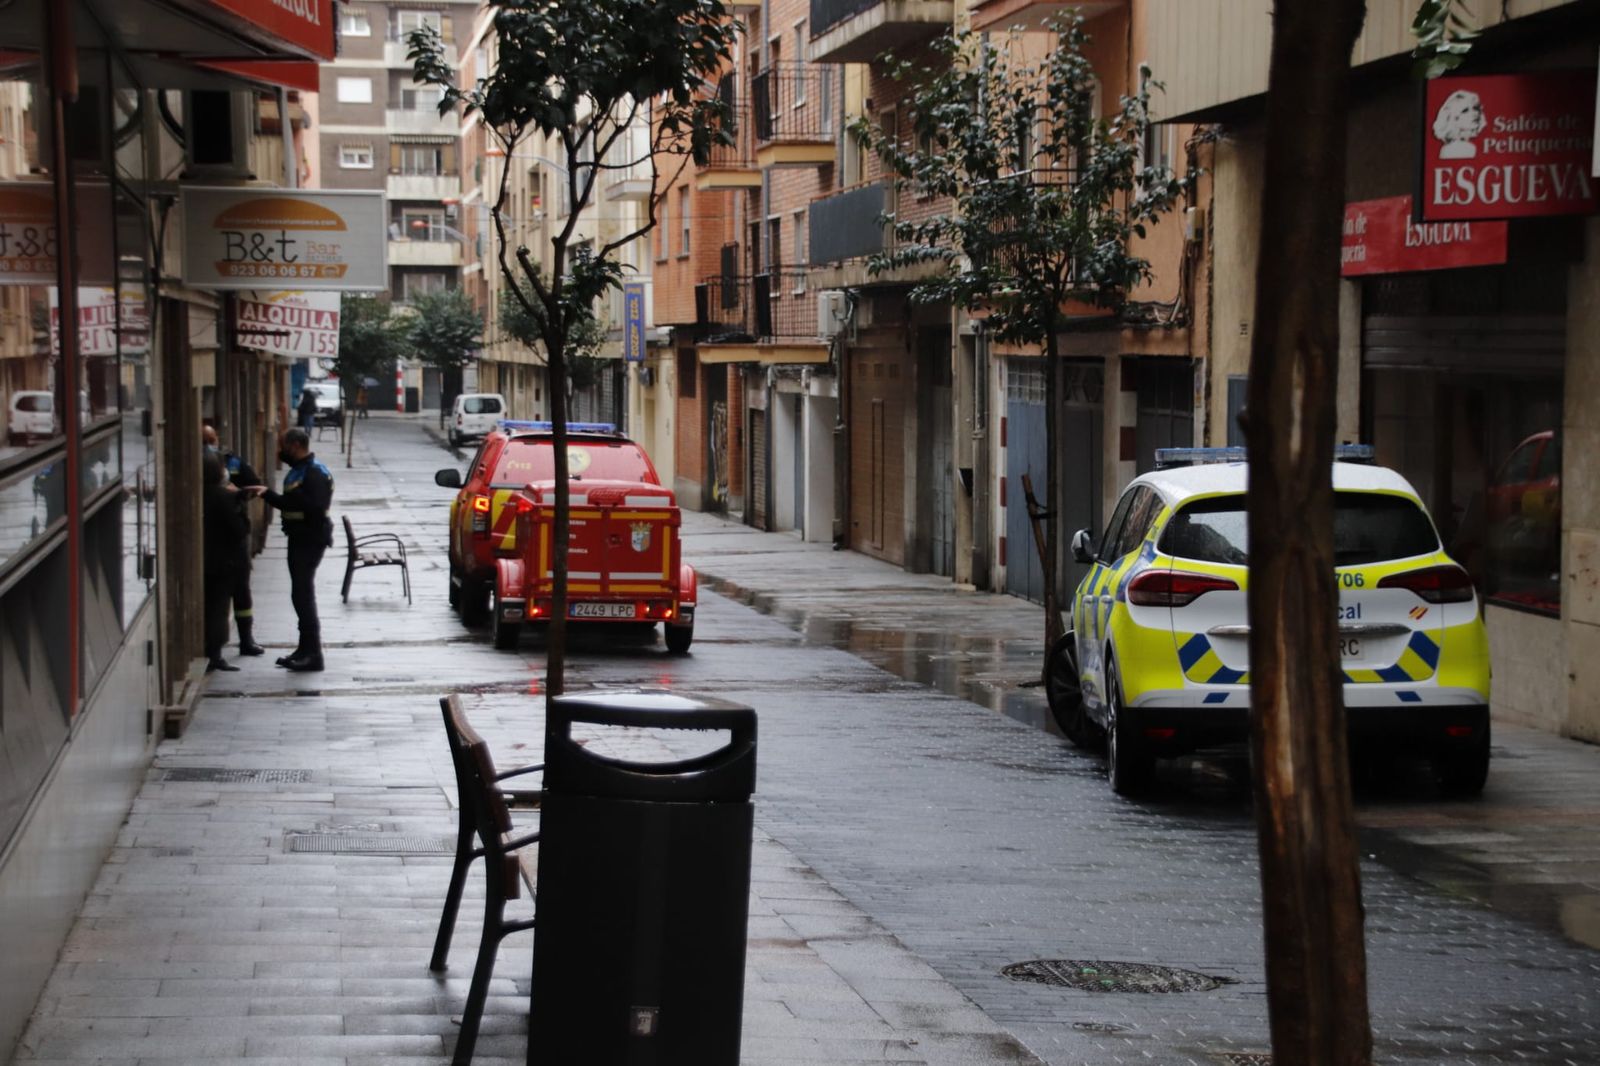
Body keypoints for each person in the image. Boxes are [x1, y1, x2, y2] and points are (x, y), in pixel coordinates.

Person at [245, 427, 334, 672]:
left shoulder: (314, 473)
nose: (279, 450)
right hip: (299, 539)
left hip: (309, 540)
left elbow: (313, 507)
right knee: (299, 594)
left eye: (282, 445)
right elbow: (294, 504)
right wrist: (268, 495)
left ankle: (313, 654)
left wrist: (272, 497)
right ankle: (304, 648)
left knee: (304, 595)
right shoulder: (300, 471)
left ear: (295, 445)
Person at [203, 424, 265, 656]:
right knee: (222, 601)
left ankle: (246, 639)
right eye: (203, 440)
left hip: (225, 552)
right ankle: (220, 647)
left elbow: (254, 482)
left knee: (240, 597)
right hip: (228, 553)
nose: (208, 445)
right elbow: (240, 529)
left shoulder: (233, 462)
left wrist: (238, 495)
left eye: (210, 439)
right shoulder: (212, 482)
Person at [202, 451, 250, 673]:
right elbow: (240, 530)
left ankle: (209, 650)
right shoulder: (225, 497)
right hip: (224, 563)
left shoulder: (194, 495)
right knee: (218, 608)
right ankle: (214, 654)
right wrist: (240, 504)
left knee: (208, 606)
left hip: (203, 560)